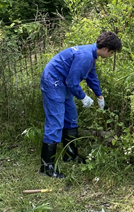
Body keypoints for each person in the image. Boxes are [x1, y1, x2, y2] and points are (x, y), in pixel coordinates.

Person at [39, 31, 122, 178]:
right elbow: (72, 82)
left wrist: (99, 95)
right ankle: (47, 167)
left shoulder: (91, 55)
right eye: (112, 52)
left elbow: (91, 76)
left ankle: (70, 155)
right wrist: (83, 97)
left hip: (62, 83)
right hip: (53, 82)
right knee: (56, 122)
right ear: (105, 49)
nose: (110, 56)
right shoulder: (85, 56)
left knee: (71, 118)